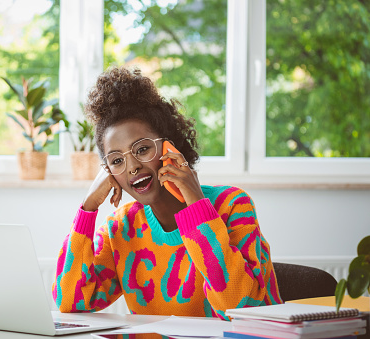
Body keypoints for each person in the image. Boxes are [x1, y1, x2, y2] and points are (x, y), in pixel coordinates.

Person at [52, 67, 282, 320]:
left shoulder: (233, 205)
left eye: (141, 150)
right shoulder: (120, 228)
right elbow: (70, 303)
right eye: (117, 161)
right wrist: (88, 209)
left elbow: (241, 308)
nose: (132, 167)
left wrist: (196, 206)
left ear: (169, 146)